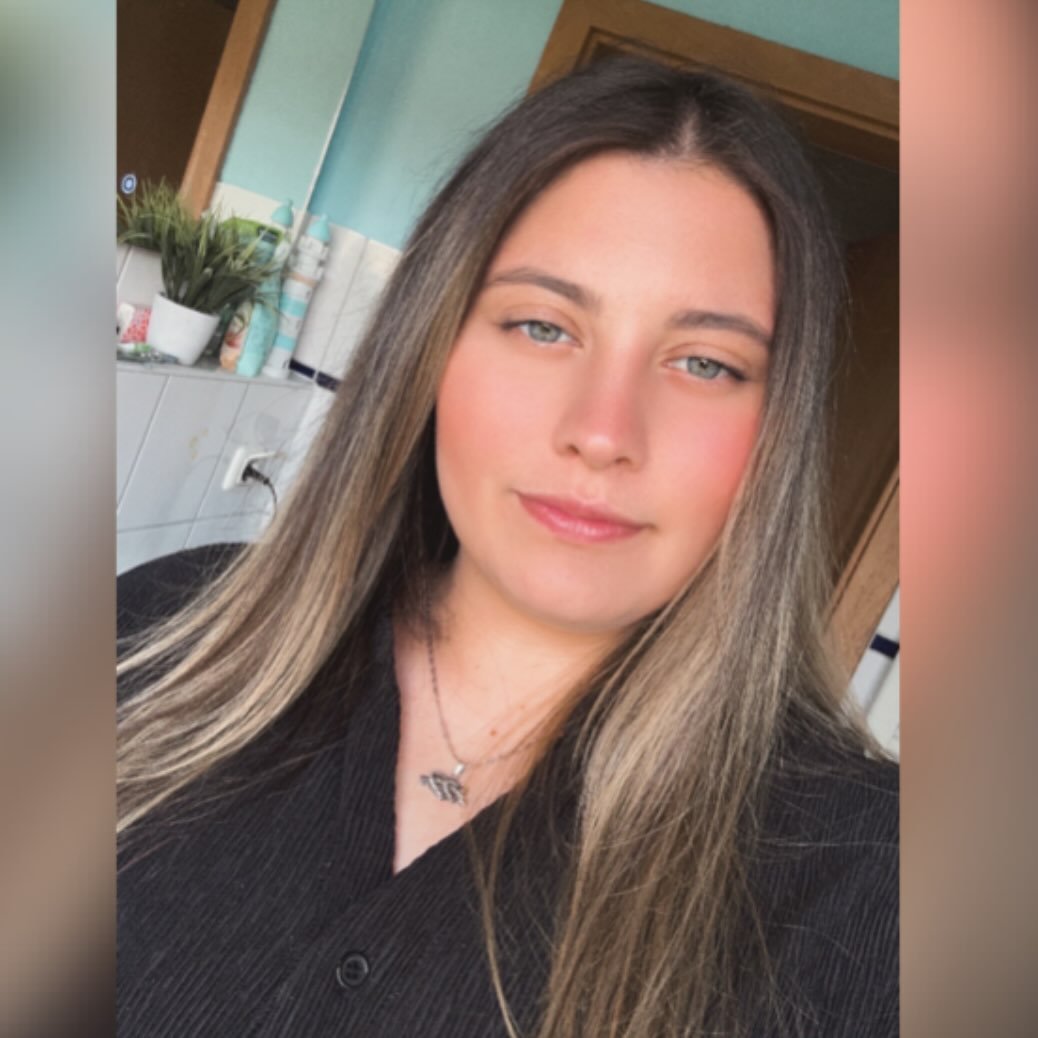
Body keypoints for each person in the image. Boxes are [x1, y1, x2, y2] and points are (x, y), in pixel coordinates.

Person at [117, 57, 898, 1037]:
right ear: (432, 346)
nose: (602, 432)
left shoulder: (879, 885)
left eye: (705, 363)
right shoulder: (153, 636)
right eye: (541, 326)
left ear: (781, 430)